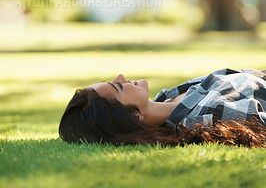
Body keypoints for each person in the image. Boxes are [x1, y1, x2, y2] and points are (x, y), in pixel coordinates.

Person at [59, 68, 266, 147]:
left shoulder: (167, 97)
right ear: (135, 117)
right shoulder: (207, 115)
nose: (121, 76)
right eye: (118, 86)